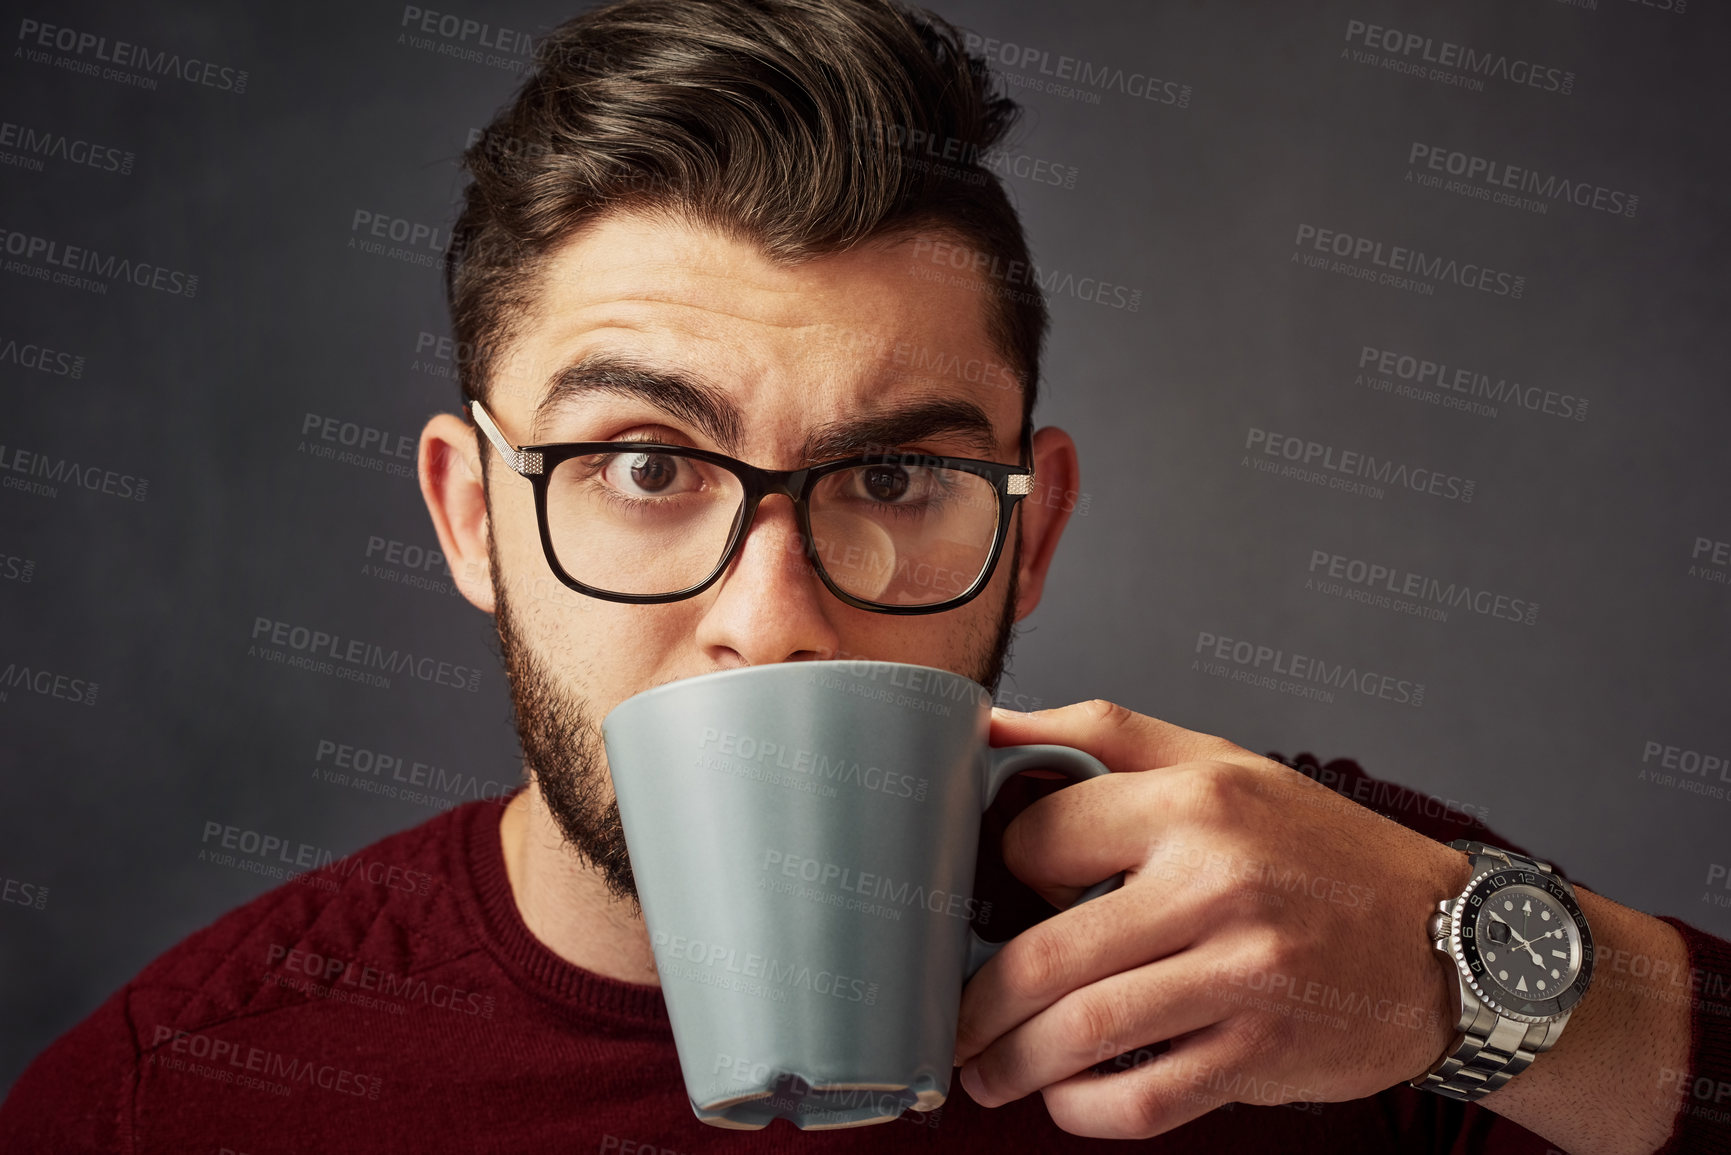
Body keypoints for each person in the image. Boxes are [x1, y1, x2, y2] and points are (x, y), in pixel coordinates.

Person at [4, 1, 1727, 1151]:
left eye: (894, 474)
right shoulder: (180, 1098)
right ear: (471, 519)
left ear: (1029, 531)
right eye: (644, 466)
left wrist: (1484, 982)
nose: (770, 616)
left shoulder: (1300, 916)